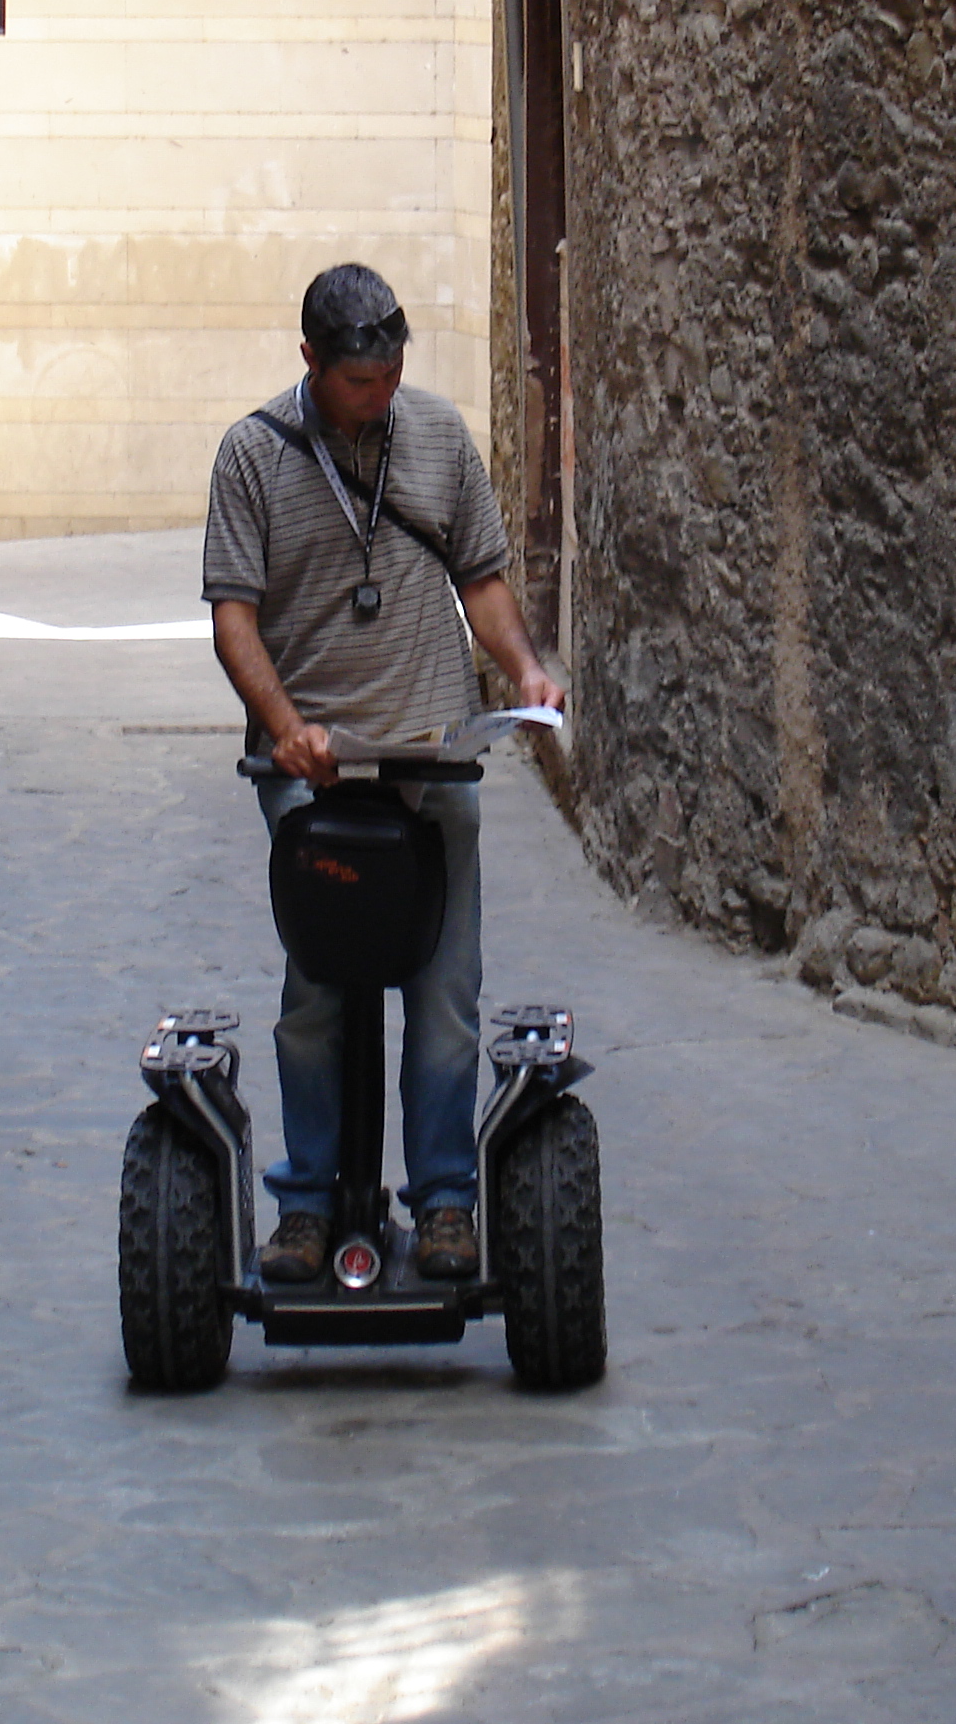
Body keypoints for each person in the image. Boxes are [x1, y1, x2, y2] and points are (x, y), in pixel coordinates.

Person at [202, 264, 568, 1285]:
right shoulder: (252, 456)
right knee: (318, 991)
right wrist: (285, 727)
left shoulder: (440, 438)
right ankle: (310, 1204)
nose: (379, 399)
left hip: (430, 756)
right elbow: (234, 616)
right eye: (359, 382)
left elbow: (481, 580)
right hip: (313, 770)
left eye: (391, 377)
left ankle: (446, 1200)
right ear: (311, 362)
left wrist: (525, 667)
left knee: (445, 991)